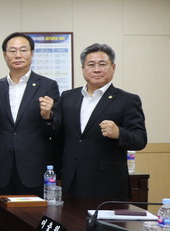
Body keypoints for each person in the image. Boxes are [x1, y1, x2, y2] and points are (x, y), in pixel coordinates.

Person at [57, 43, 147, 199]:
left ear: (113, 67)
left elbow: (140, 139)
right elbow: (60, 135)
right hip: (71, 180)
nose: (96, 69)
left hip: (107, 183)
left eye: (102, 64)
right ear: (83, 68)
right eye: (91, 65)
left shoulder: (127, 100)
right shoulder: (68, 97)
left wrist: (119, 133)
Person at [0, 32, 59, 197]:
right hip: (1, 170)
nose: (18, 55)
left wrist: (48, 116)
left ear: (32, 53)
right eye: (12, 51)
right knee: (2, 213)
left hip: (35, 169)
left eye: (23, 50)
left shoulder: (47, 86)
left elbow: (56, 130)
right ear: (5, 55)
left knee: (35, 213)